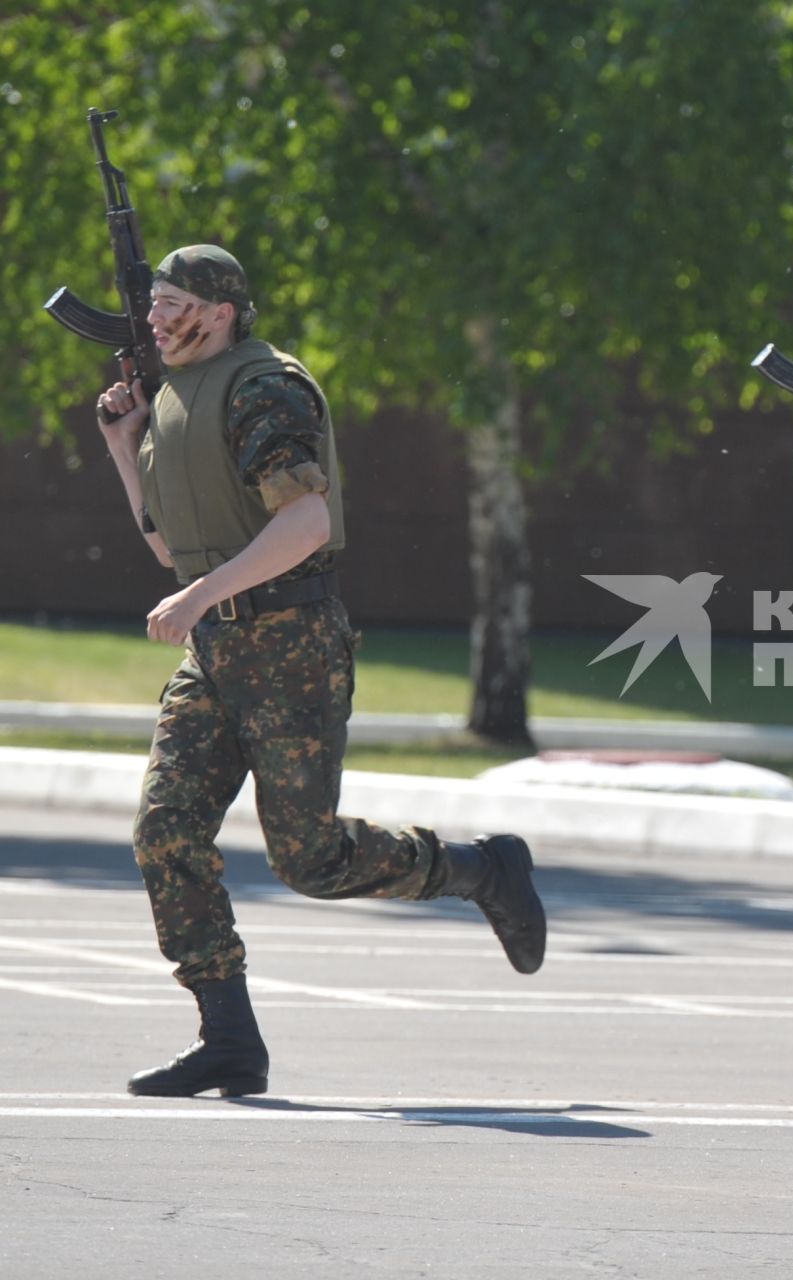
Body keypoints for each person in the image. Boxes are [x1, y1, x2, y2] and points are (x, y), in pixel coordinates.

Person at [92, 245, 546, 1099]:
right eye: (152, 302)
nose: (152, 318)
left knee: (311, 859)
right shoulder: (173, 399)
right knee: (166, 830)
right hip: (217, 650)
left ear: (221, 312)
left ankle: (484, 870)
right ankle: (228, 1038)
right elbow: (169, 545)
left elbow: (305, 522)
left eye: (171, 302)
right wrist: (125, 447)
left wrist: (199, 596)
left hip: (291, 642)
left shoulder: (264, 387)